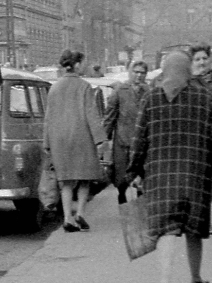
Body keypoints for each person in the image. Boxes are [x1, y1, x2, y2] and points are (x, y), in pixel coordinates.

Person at [128, 51, 212, 283]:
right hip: (195, 174)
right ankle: (196, 279)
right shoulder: (205, 97)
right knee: (194, 228)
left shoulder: (152, 98)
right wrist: (211, 168)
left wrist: (134, 170)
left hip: (160, 175)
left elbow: (140, 138)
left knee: (166, 229)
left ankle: (164, 282)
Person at [44, 50, 105, 232]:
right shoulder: (85, 87)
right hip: (82, 138)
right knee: (85, 179)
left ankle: (67, 219)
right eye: (82, 63)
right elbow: (91, 115)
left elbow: (48, 117)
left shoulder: (54, 88)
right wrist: (100, 140)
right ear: (77, 65)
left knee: (66, 181)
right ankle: (80, 213)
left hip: (60, 140)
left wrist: (46, 143)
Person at [103, 60, 149, 204]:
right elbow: (110, 117)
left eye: (142, 73)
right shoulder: (120, 91)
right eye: (136, 72)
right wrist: (103, 139)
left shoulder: (149, 92)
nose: (138, 76)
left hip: (142, 143)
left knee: (143, 176)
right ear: (130, 72)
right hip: (123, 142)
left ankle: (140, 203)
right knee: (121, 177)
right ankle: (121, 196)